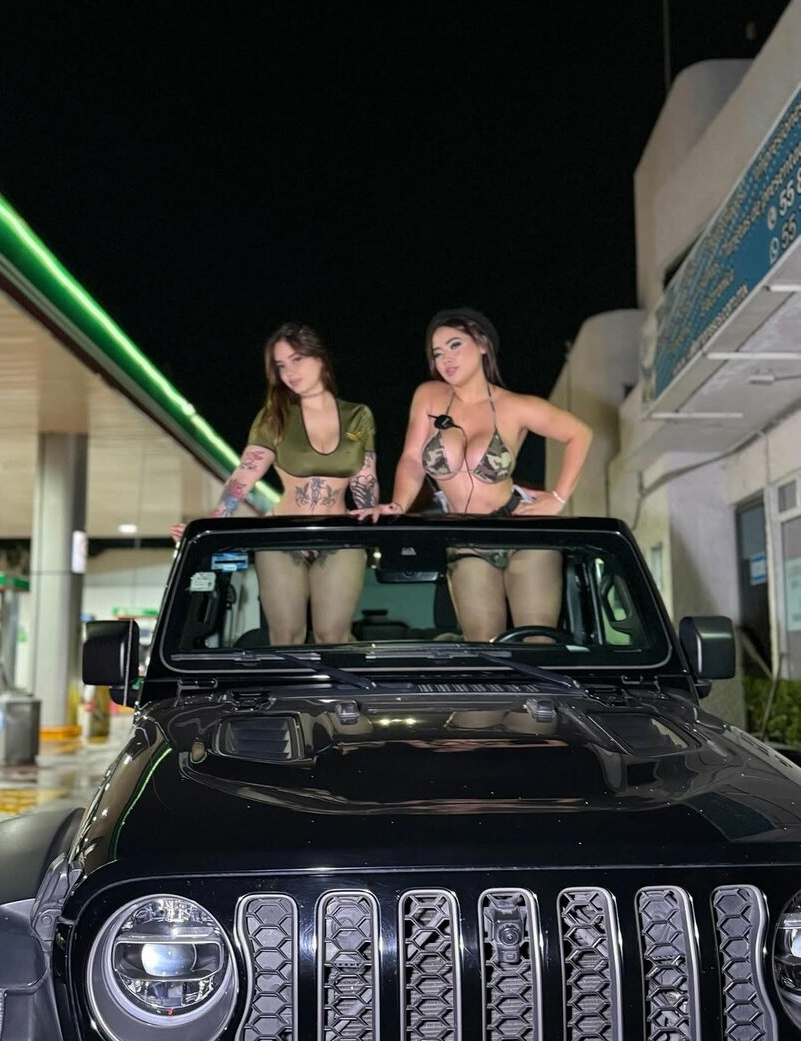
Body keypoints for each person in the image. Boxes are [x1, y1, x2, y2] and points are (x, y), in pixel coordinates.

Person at [353, 307, 592, 641]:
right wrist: (399, 504)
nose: (445, 359)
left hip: (521, 533)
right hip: (465, 539)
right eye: (437, 353)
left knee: (537, 641)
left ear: (481, 344)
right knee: (484, 643)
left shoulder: (515, 406)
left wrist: (558, 497)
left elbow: (580, 433)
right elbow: (412, 459)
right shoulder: (428, 396)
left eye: (455, 345)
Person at [172, 322, 378, 644]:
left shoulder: (358, 415)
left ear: (320, 358)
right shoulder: (275, 416)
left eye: (296, 360)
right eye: (281, 365)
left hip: (339, 534)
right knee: (286, 635)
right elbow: (245, 475)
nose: (289, 373)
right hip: (282, 535)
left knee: (333, 635)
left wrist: (374, 519)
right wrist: (214, 519)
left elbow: (366, 478)